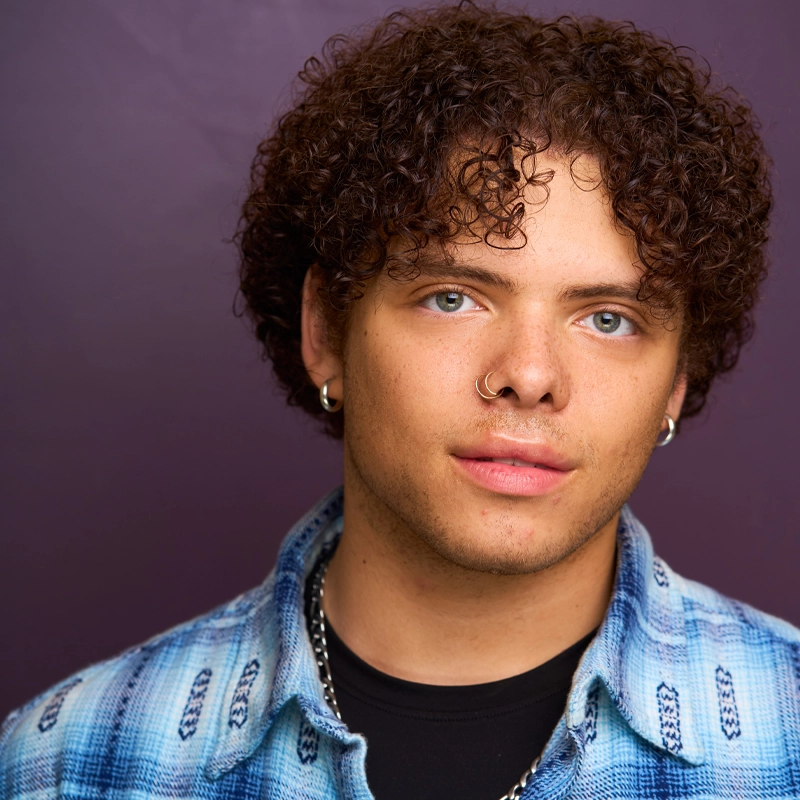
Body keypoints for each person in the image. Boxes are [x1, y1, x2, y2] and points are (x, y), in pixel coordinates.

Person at [2, 4, 797, 799]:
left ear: (677, 378)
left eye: (609, 319)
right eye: (453, 298)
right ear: (326, 330)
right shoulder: (64, 766)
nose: (529, 376)